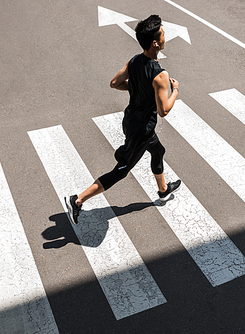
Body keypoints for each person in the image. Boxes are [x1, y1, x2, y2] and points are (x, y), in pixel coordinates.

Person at [65, 14, 181, 225]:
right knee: (122, 170)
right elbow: (163, 110)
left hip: (131, 121)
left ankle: (163, 189)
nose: (165, 36)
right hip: (141, 129)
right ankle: (78, 199)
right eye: (163, 33)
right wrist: (175, 90)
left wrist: (137, 89)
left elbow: (114, 83)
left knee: (158, 150)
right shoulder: (160, 75)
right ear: (155, 42)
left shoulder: (135, 60)